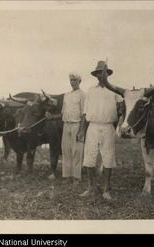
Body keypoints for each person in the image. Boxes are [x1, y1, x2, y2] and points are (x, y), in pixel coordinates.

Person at [78, 61, 124, 200]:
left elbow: (122, 107)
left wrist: (121, 115)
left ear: (107, 74)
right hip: (92, 126)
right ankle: (91, 187)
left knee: (108, 157)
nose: (100, 75)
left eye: (103, 72)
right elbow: (85, 113)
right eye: (98, 73)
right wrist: (81, 130)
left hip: (108, 126)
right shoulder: (91, 90)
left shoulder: (115, 90)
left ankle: (106, 189)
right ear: (96, 75)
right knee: (89, 158)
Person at [45, 73, 85, 182]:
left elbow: (84, 114)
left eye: (75, 80)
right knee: (66, 150)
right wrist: (51, 117)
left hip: (77, 125)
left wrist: (81, 130)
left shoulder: (82, 95)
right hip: (66, 125)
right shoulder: (67, 95)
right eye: (71, 80)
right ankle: (67, 176)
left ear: (79, 81)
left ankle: (76, 177)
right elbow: (62, 113)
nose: (73, 82)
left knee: (77, 151)